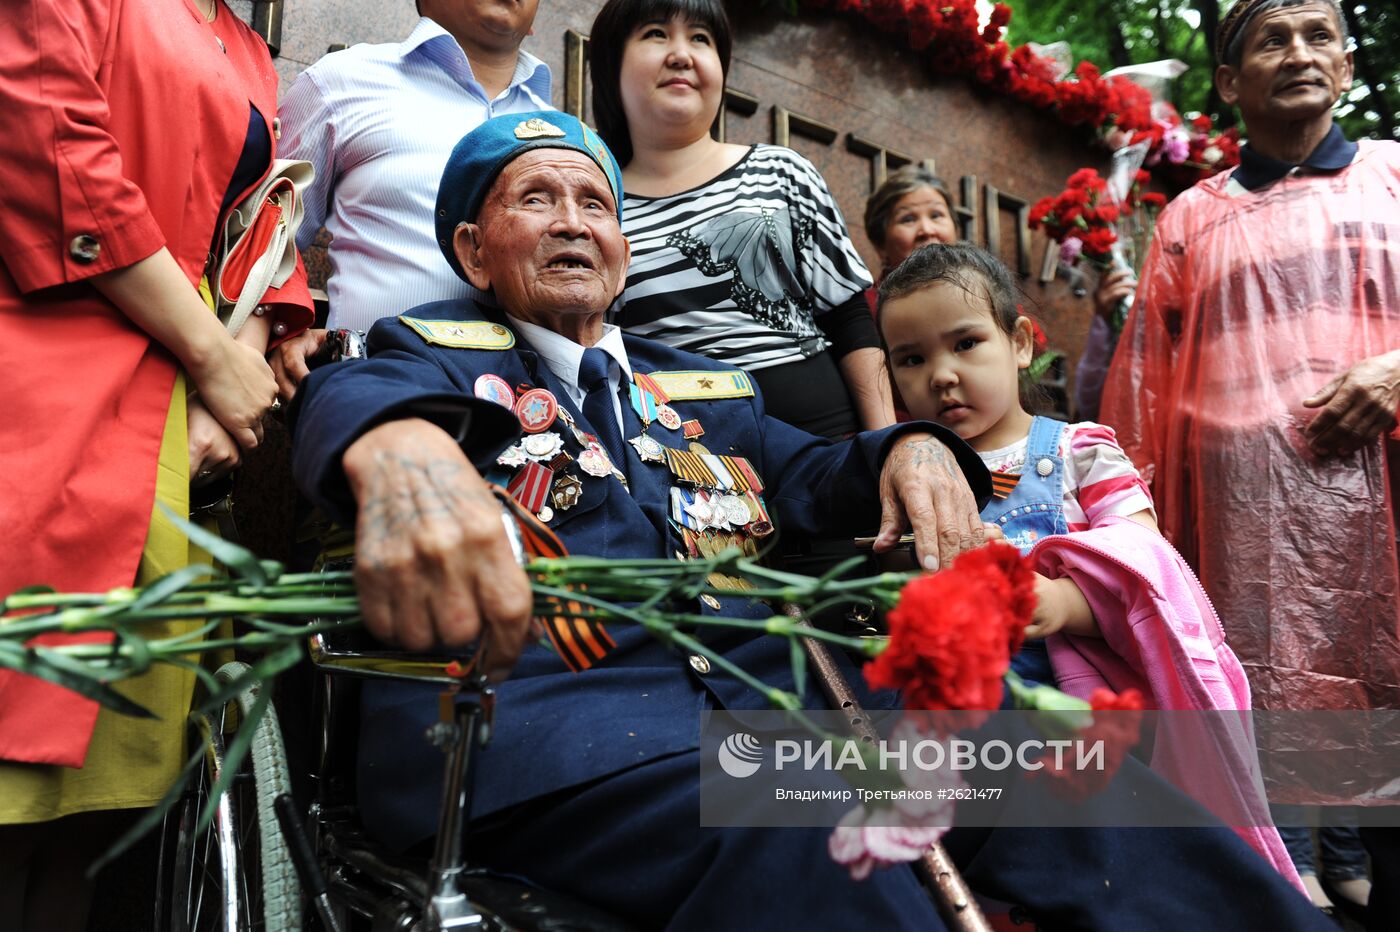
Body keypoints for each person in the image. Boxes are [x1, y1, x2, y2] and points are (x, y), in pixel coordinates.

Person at [290, 111, 1331, 931]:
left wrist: (914, 445)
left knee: (1045, 756)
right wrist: (404, 452)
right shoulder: (422, 355)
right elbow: (345, 402)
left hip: (755, 723)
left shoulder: (704, 390)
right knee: (832, 818)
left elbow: (823, 471)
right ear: (473, 249)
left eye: (594, 203)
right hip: (551, 746)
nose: (574, 221)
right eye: (536, 199)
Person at [0, 1, 312, 928]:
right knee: (15, 795)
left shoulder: (249, 45)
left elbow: (267, 229)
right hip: (48, 387)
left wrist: (236, 361)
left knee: (99, 819)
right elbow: (51, 145)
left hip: (169, 430)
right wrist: (214, 362)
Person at [1100, 0, 1400, 921]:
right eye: (1273, 38)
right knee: (1256, 711)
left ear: (1347, 66)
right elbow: (1144, 382)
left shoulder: (1396, 179)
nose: (1299, 54)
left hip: (1388, 517)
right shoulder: (1193, 218)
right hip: (1242, 529)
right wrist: (1131, 532)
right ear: (1230, 82)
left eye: (1318, 36)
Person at [876, 242, 1301, 882]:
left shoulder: (1080, 453)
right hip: (962, 731)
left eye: (965, 343)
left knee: (1105, 871)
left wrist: (1061, 604)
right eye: (912, 358)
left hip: (1083, 715)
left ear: (1019, 341)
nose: (940, 374)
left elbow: (1145, 564)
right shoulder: (911, 475)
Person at [589, 0, 894, 439]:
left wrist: (886, 447)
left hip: (828, 444)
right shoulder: (599, 209)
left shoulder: (782, 171)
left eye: (700, 38)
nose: (681, 54)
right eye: (656, 34)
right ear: (610, 64)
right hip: (684, 465)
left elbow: (849, 321)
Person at [270, 0, 552, 398]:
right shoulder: (342, 82)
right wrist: (286, 331)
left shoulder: (563, 137)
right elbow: (265, 240)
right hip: (371, 398)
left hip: (535, 421)